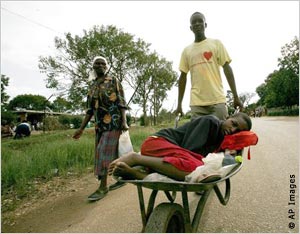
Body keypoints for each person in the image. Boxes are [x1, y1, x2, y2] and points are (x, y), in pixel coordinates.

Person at [108, 112, 251, 181]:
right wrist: (204, 166)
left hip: (164, 153)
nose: (232, 130)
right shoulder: (211, 122)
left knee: (197, 166)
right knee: (195, 166)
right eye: (233, 124)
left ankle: (138, 174)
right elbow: (188, 149)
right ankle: (135, 158)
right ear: (228, 117)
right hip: (157, 143)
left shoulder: (222, 139)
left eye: (237, 131)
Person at [73, 56, 129, 201]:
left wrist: (124, 121)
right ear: (93, 67)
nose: (100, 65)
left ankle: (103, 187)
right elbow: (89, 110)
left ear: (107, 66)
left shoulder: (113, 80)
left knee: (103, 152)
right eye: (97, 63)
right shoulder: (92, 86)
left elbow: (121, 102)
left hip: (114, 122)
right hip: (99, 126)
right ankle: (122, 177)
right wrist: (81, 129)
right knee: (112, 153)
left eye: (103, 63)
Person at [176, 12, 243, 121]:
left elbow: (227, 69)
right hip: (197, 104)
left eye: (200, 21)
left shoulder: (216, 44)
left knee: (220, 134)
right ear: (190, 28)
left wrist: (236, 96)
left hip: (217, 101)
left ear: (205, 25)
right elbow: (182, 77)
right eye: (194, 22)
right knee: (199, 136)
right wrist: (179, 105)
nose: (197, 24)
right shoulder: (186, 51)